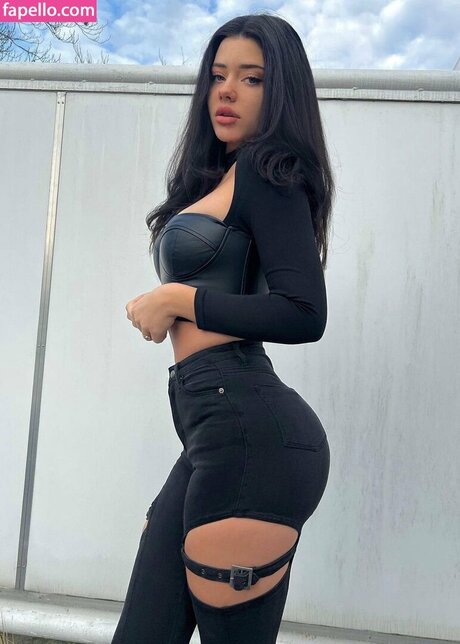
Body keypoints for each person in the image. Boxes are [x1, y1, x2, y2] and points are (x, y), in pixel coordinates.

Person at [112, 11, 335, 644]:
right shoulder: (225, 178)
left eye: (252, 78)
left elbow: (304, 312)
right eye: (217, 75)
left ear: (281, 91)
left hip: (249, 431)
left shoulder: (268, 172)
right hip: (211, 425)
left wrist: (177, 298)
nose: (227, 91)